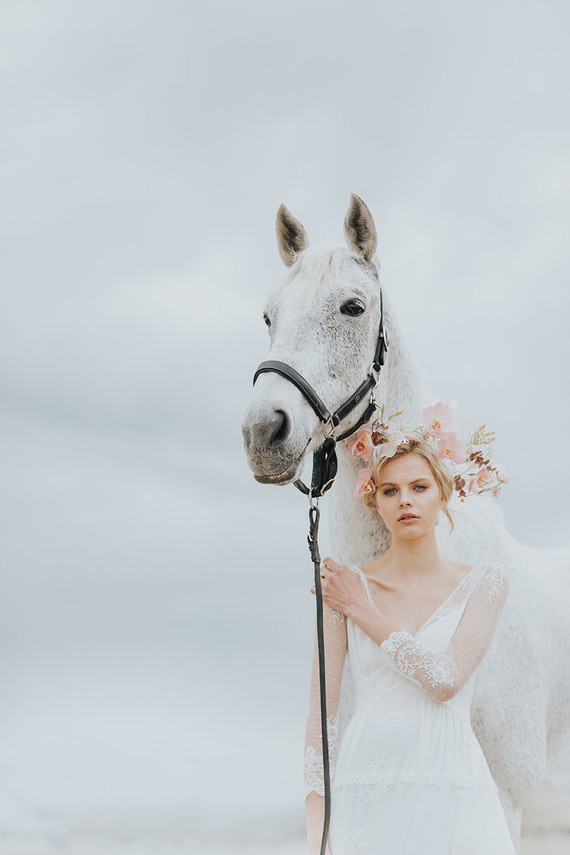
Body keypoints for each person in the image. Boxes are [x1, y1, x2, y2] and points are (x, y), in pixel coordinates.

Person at [303, 403, 515, 854]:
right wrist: (316, 835)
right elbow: (322, 719)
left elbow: (445, 680)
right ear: (373, 500)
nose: (405, 500)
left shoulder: (484, 582)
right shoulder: (345, 587)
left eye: (419, 487)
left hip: (452, 788)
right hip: (367, 792)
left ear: (443, 492)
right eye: (390, 490)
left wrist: (362, 609)